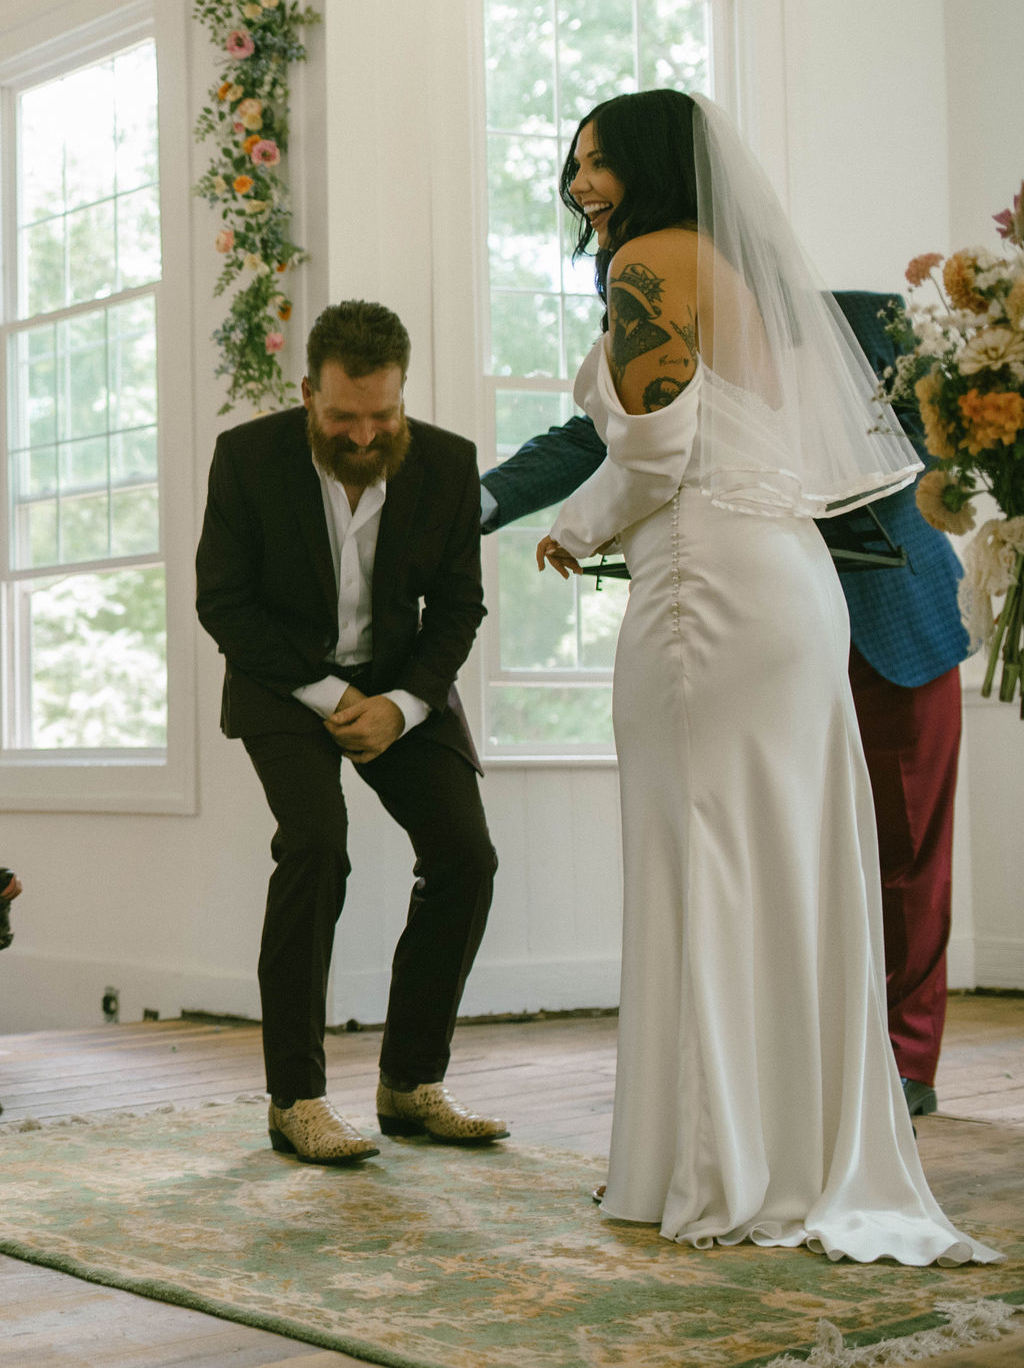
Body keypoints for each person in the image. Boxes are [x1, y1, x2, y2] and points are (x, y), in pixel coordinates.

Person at [532, 88, 997, 1263]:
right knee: (776, 858)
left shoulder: (647, 262)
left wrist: (576, 528)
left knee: (703, 853)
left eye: (597, 162)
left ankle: (721, 1163)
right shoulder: (740, 278)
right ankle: (791, 1143)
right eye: (574, 164)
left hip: (705, 589)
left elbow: (655, 450)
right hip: (782, 579)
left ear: (645, 166)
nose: (580, 184)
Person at [482, 290, 967, 1119]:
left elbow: (940, 446)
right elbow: (595, 440)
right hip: (755, 629)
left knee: (905, 846)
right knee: (769, 845)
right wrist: (476, 503)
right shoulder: (666, 336)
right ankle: (789, 1054)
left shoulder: (870, 320)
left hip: (894, 620)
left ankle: (904, 1059)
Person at [196, 300, 507, 1166]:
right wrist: (331, 695)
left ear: (403, 396)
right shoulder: (247, 459)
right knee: (316, 845)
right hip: (283, 681)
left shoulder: (447, 465)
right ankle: (295, 1099)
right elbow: (223, 601)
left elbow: (457, 607)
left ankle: (410, 1086)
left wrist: (404, 704)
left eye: (383, 415)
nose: (365, 436)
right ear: (307, 396)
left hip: (400, 687)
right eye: (343, 417)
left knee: (464, 856)